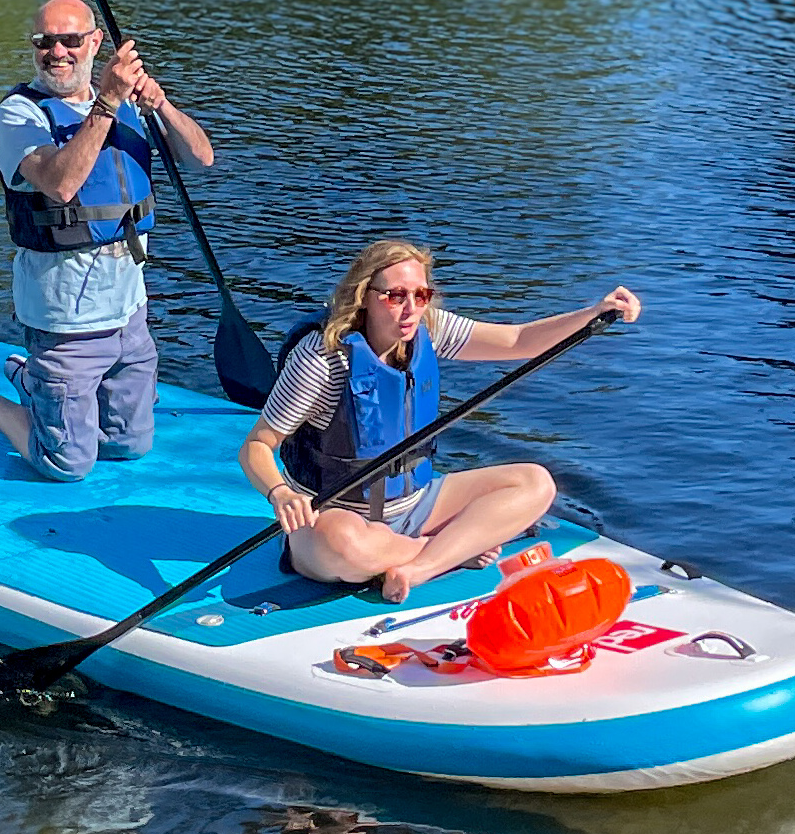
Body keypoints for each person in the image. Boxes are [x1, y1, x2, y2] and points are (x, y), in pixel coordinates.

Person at [241, 237, 641, 604]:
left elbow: (518, 340)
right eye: (395, 295)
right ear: (363, 296)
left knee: (536, 483)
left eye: (421, 295)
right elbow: (257, 445)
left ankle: (419, 567)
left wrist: (594, 313)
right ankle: (449, 549)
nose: (411, 308)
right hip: (338, 518)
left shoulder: (429, 329)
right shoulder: (323, 359)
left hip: (415, 504)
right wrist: (281, 493)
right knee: (342, 545)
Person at [0, 0, 215, 480]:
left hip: (129, 310)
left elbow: (201, 157)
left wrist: (158, 103)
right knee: (66, 463)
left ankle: (32, 382)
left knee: (127, 445)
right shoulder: (20, 115)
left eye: (71, 40)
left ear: (95, 43)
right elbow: (61, 185)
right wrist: (107, 102)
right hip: (65, 318)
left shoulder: (129, 104)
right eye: (45, 42)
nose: (57, 52)